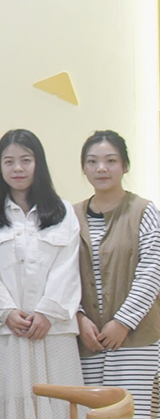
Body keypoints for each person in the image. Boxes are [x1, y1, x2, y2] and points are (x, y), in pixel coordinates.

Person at [0, 129, 82, 419]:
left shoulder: (63, 211)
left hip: (54, 330)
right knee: (11, 405)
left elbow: (68, 267)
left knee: (60, 404)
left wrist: (47, 313)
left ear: (39, 164)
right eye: (9, 161)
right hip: (7, 330)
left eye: (26, 160)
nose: (18, 168)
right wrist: (6, 312)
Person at [75, 130, 160, 418]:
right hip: (87, 341)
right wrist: (78, 318)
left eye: (110, 161)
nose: (101, 168)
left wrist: (123, 322)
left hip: (135, 338)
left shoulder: (144, 212)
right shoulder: (69, 217)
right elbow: (60, 275)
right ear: (84, 168)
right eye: (92, 161)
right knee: (90, 413)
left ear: (125, 166)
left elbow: (152, 272)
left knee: (133, 413)